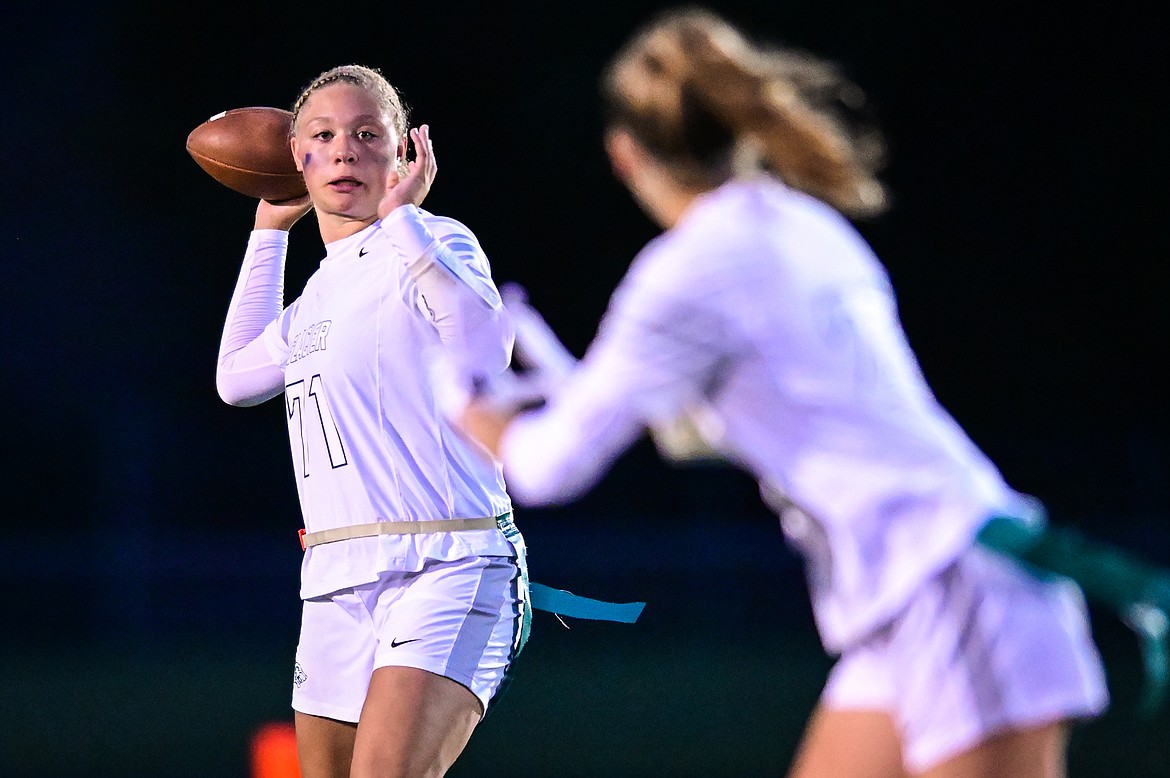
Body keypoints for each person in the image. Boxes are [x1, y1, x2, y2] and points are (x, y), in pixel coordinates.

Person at [446, 8, 1112, 778]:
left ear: (625, 155)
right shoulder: (804, 223)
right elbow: (751, 417)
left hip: (951, 586)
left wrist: (454, 396)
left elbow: (545, 468)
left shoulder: (685, 270)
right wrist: (583, 389)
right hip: (910, 600)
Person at [214, 64, 529, 777]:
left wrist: (404, 220)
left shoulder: (435, 241)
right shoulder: (320, 295)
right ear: (297, 157)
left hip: (448, 564)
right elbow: (235, 380)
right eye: (323, 135)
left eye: (367, 134)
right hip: (334, 578)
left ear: (403, 154)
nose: (346, 150)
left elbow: (487, 348)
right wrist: (269, 229)